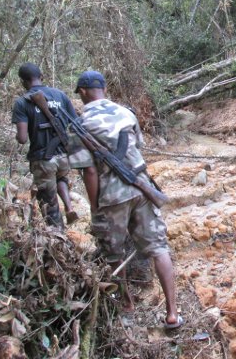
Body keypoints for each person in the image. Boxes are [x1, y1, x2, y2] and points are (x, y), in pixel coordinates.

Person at [69, 70, 182, 329]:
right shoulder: (126, 113)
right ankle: (173, 313)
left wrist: (95, 205)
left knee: (113, 254)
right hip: (142, 188)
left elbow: (89, 170)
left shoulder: (80, 123)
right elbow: (137, 148)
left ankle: (127, 304)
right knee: (159, 248)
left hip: (111, 195)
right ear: (104, 89)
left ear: (83, 92)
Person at [12, 62, 79, 229]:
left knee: (50, 207)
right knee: (62, 178)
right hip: (64, 156)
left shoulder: (22, 102)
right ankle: (69, 207)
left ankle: (59, 240)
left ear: (23, 82)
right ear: (41, 76)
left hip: (43, 160)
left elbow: (22, 138)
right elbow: (76, 123)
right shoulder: (60, 95)